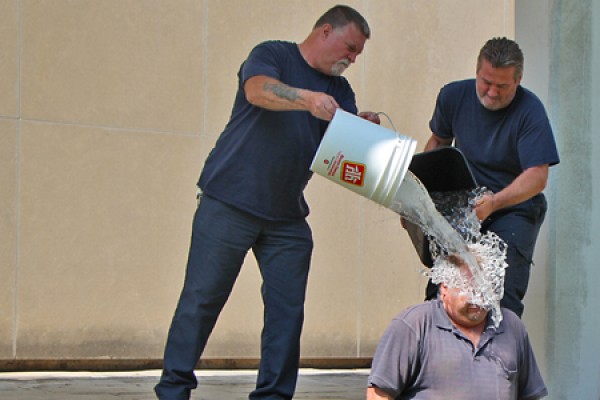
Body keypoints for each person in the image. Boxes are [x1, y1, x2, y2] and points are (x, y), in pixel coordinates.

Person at [154, 5, 379, 400]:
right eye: (349, 47)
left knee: (286, 313)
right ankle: (174, 390)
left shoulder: (341, 91)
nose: (352, 58)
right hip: (229, 200)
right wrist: (307, 99)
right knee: (201, 299)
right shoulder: (274, 54)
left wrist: (361, 130)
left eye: (358, 53)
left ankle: (274, 395)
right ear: (325, 31)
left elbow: (336, 157)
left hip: (286, 216)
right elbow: (257, 90)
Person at [423, 37, 560, 317]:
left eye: (502, 86)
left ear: (518, 80)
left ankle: (500, 358)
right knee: (441, 288)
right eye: (486, 82)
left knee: (500, 291)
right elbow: (437, 143)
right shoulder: (452, 96)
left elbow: (537, 176)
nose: (492, 92)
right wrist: (421, 204)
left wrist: (495, 203)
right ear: (477, 72)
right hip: (463, 204)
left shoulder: (530, 111)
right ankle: (440, 355)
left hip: (513, 208)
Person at [366, 257, 548, 400]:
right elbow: (379, 394)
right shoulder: (414, 324)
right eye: (470, 289)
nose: (478, 299)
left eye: (485, 290)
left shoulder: (510, 325)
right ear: (444, 287)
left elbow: (528, 395)